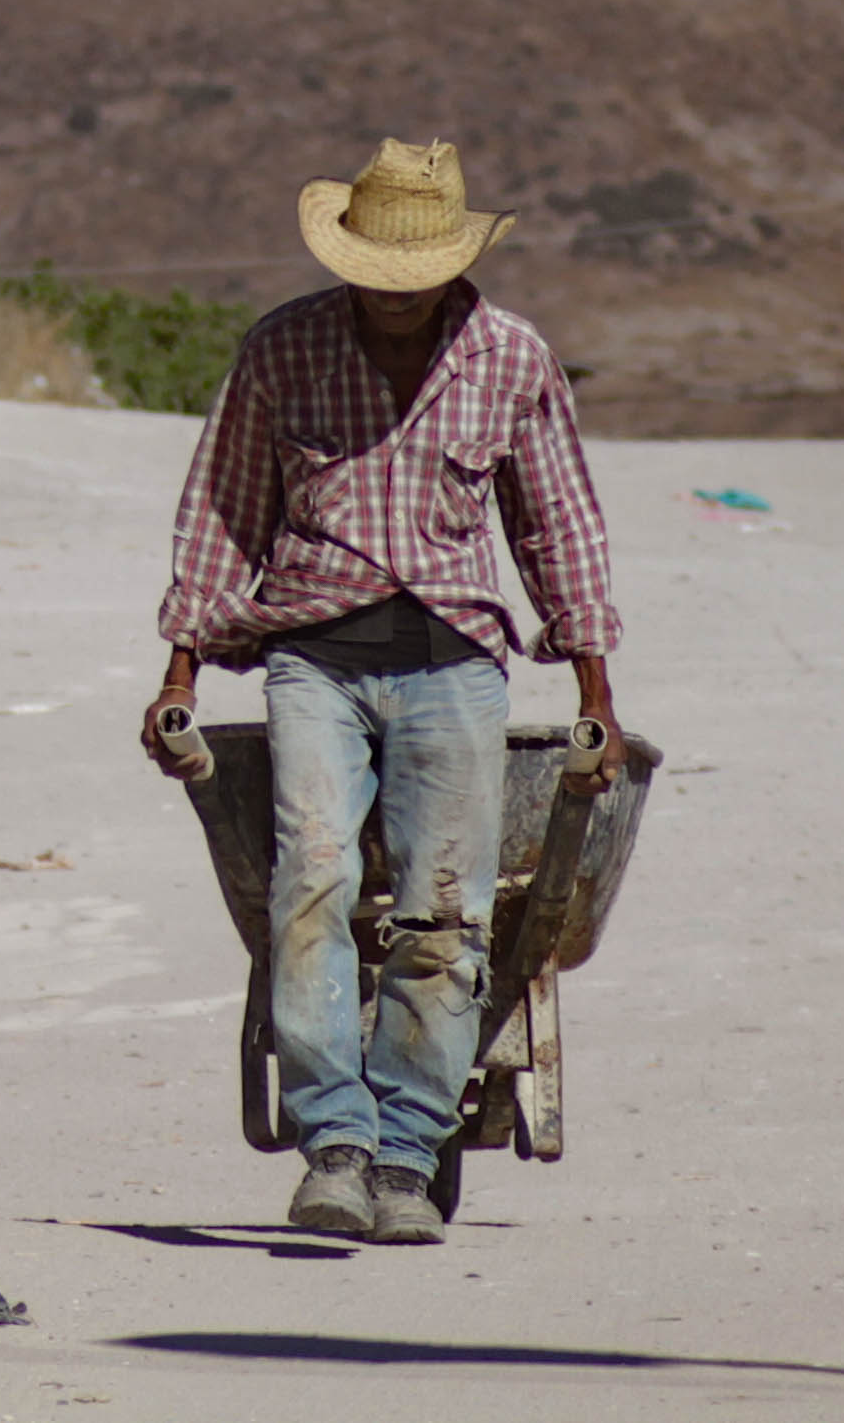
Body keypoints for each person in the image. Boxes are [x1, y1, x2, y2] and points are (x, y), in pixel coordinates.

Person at [139, 139, 622, 1247]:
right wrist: (177, 668)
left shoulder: (508, 358)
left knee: (441, 911)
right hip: (313, 653)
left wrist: (590, 682)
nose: (392, 301)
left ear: (451, 267)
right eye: (374, 277)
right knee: (306, 879)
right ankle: (335, 1147)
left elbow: (557, 522)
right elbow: (220, 509)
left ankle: (408, 1151)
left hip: (453, 662)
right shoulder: (283, 349)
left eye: (413, 282)